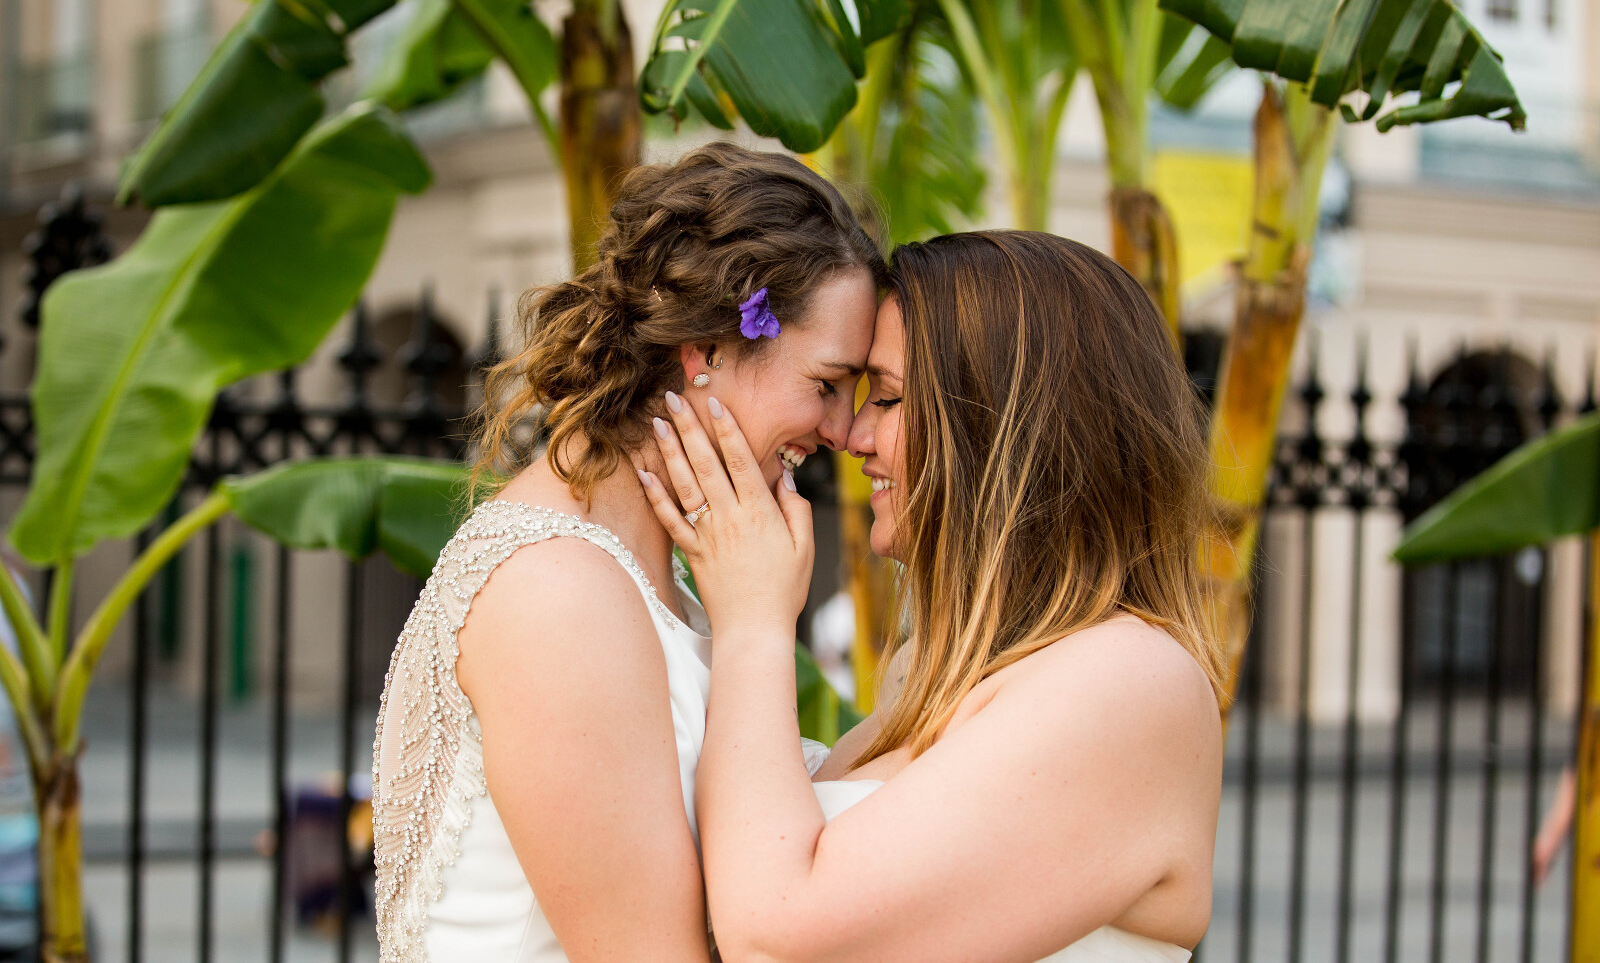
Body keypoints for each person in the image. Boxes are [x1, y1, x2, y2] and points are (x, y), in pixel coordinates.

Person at [641, 230, 1228, 963]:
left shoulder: (1132, 683)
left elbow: (773, 936)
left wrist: (756, 623)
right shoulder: (930, 672)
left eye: (886, 397)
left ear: (1004, 426)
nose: (853, 436)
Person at [370, 142, 885, 963]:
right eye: (826, 384)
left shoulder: (654, 576)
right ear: (709, 349)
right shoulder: (558, 592)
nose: (840, 431)